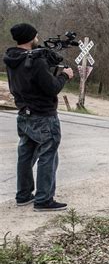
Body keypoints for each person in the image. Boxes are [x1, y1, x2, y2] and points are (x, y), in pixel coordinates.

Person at [3, 23, 74, 211]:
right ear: (30, 37)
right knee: (48, 155)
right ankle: (44, 200)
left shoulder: (12, 58)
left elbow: (32, 79)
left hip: (24, 114)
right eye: (35, 35)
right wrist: (65, 76)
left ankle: (24, 195)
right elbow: (52, 87)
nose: (37, 38)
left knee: (25, 155)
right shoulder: (36, 61)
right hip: (43, 115)